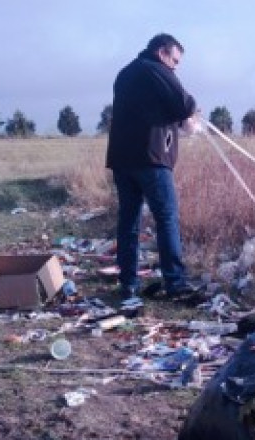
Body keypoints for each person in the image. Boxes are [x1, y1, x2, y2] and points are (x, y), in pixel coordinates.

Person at [106, 33, 199, 299]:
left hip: (122, 160)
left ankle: (128, 282)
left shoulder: (125, 74)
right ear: (162, 53)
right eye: (175, 60)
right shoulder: (156, 69)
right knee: (166, 218)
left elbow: (151, 108)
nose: (175, 67)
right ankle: (175, 283)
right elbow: (184, 102)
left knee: (128, 221)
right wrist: (191, 115)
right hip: (150, 159)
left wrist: (179, 119)